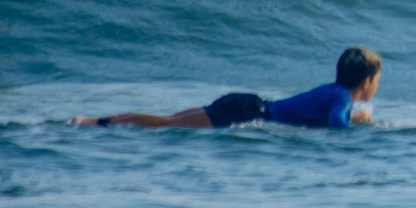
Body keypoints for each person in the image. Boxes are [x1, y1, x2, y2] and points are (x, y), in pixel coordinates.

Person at [75, 47, 381, 130]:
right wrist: (358, 122)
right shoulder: (341, 97)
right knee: (166, 124)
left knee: (168, 121)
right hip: (246, 111)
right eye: (378, 78)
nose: (377, 85)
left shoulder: (334, 92)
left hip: (248, 104)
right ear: (366, 81)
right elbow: (337, 130)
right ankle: (91, 122)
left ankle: (95, 121)